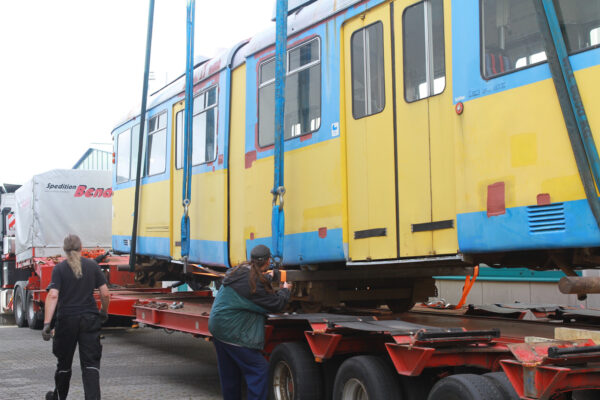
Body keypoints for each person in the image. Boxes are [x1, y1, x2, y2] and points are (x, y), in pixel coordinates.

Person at [208, 244, 291, 400]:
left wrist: (268, 277)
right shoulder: (253, 284)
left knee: (230, 375)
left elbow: (250, 281)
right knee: (259, 370)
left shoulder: (238, 271)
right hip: (232, 331)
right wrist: (286, 290)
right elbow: (277, 304)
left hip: (218, 328)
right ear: (267, 262)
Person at [42, 234, 110, 400]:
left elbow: (52, 296)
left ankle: (59, 396)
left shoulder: (59, 269)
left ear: (65, 251)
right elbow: (105, 293)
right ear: (81, 248)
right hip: (89, 320)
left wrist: (46, 324)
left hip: (66, 321)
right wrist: (104, 311)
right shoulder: (92, 266)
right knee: (91, 365)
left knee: (64, 363)